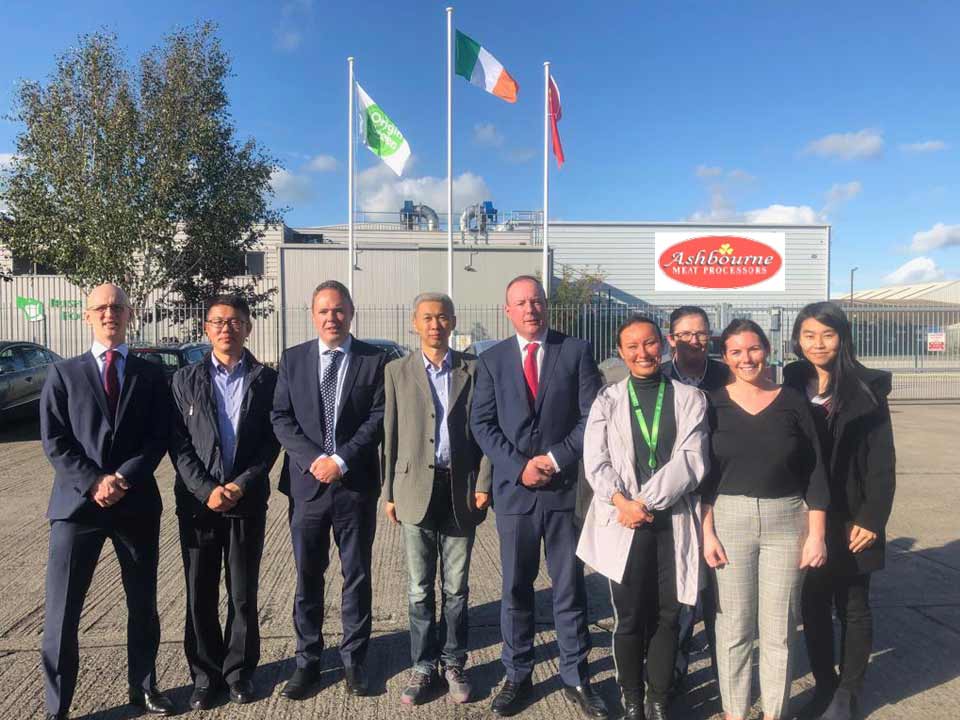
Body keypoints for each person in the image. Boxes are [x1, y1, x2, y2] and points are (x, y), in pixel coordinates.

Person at [471, 275, 607, 719]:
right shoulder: (491, 361)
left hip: (564, 491)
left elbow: (592, 418)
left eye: (536, 301)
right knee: (516, 588)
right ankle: (518, 673)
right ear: (507, 311)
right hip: (516, 495)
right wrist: (519, 466)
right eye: (521, 303)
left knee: (569, 588)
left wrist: (553, 458)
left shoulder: (576, 351)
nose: (530, 309)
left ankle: (576, 676)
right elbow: (482, 424)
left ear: (546, 306)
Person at [39, 283, 174, 719]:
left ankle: (144, 687)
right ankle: (58, 705)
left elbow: (158, 437)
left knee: (143, 603)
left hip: (135, 504)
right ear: (87, 316)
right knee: (62, 611)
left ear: (130, 314)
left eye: (117, 307)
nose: (109, 313)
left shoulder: (150, 374)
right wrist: (94, 481)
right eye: (100, 307)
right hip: (77, 507)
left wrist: (123, 478)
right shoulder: (63, 374)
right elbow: (55, 440)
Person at [577, 314, 710, 720]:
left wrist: (644, 503)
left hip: (670, 521)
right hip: (624, 522)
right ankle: (632, 697)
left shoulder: (690, 398)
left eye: (650, 343)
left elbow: (691, 460)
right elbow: (595, 460)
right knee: (631, 616)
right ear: (620, 352)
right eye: (632, 346)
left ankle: (659, 697)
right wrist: (622, 502)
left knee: (670, 614)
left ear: (663, 345)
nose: (643, 352)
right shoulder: (608, 400)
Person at [701, 319, 829, 720]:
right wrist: (706, 532)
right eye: (736, 351)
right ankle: (735, 712)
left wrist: (817, 534)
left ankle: (775, 712)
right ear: (725, 357)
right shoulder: (711, 404)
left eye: (754, 349)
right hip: (729, 520)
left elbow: (815, 470)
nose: (746, 358)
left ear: (767, 350)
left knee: (779, 630)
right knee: (734, 627)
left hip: (787, 521)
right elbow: (703, 476)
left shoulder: (792, 402)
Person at [271, 280, 386, 700]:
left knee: (356, 575)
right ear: (313, 315)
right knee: (307, 575)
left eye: (338, 310)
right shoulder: (293, 359)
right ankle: (308, 661)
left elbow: (378, 416)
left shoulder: (375, 360)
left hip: (354, 486)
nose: (331, 318)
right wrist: (314, 460)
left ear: (351, 312)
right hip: (307, 488)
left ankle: (355, 660)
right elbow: (281, 417)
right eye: (323, 311)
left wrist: (341, 460)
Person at [784, 302, 895, 720]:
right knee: (812, 604)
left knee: (853, 604)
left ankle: (847, 694)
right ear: (797, 339)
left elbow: (882, 461)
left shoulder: (868, 387)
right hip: (807, 515)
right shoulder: (793, 381)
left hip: (853, 515)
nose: (818, 344)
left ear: (842, 337)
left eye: (827, 335)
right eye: (809, 335)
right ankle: (825, 686)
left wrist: (872, 518)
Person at [169, 294, 280, 710]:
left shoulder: (267, 380)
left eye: (234, 321)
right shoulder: (184, 380)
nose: (226, 328)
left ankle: (238, 672)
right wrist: (206, 489)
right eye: (217, 321)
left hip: (245, 501)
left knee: (242, 592)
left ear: (247, 328)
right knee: (199, 591)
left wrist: (241, 484)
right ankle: (204, 675)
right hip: (198, 504)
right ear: (206, 328)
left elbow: (271, 442)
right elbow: (178, 444)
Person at [382, 292, 492, 706]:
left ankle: (454, 662)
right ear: (415, 323)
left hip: (461, 489)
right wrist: (389, 491)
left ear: (453, 321)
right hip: (413, 489)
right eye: (427, 318)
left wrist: (485, 481)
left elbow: (487, 427)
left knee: (457, 587)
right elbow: (390, 433)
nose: (435, 325)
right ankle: (423, 665)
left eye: (442, 317)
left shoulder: (474, 369)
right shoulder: (397, 371)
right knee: (418, 588)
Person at [662, 305, 728, 694]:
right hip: (677, 499)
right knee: (681, 596)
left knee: (721, 597)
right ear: (671, 339)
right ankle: (674, 676)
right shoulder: (659, 378)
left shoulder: (727, 377)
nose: (694, 340)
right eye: (686, 334)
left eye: (701, 333)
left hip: (722, 494)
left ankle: (727, 680)